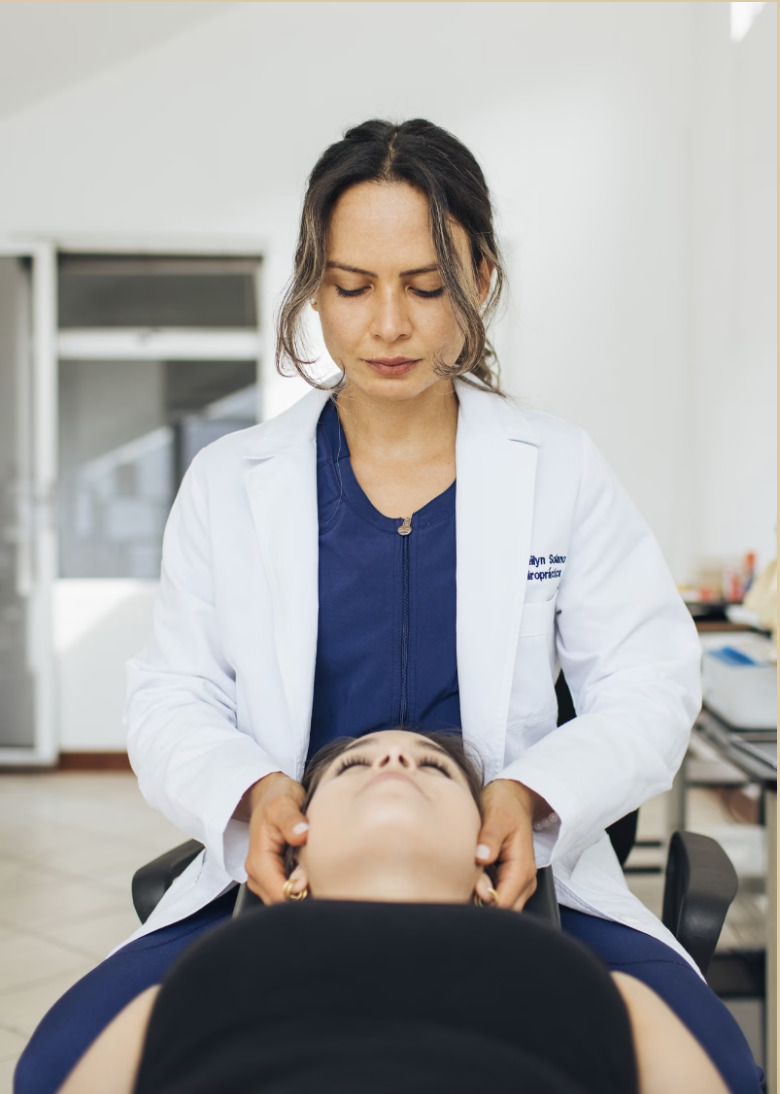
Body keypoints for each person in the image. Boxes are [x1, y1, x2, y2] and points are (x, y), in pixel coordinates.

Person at [15, 118, 762, 1094]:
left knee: (720, 1069)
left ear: (481, 279)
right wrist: (252, 794)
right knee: (58, 1064)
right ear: (312, 287)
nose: (389, 325)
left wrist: (531, 796)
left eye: (426, 285)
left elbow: (650, 679)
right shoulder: (232, 482)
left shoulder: (558, 468)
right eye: (352, 286)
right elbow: (172, 694)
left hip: (519, 885)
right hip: (289, 879)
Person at [56, 730, 728, 1094]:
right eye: (354, 766)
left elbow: (646, 682)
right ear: (293, 867)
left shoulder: (619, 1001)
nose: (396, 757)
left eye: (433, 768)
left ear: (488, 866)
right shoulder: (188, 986)